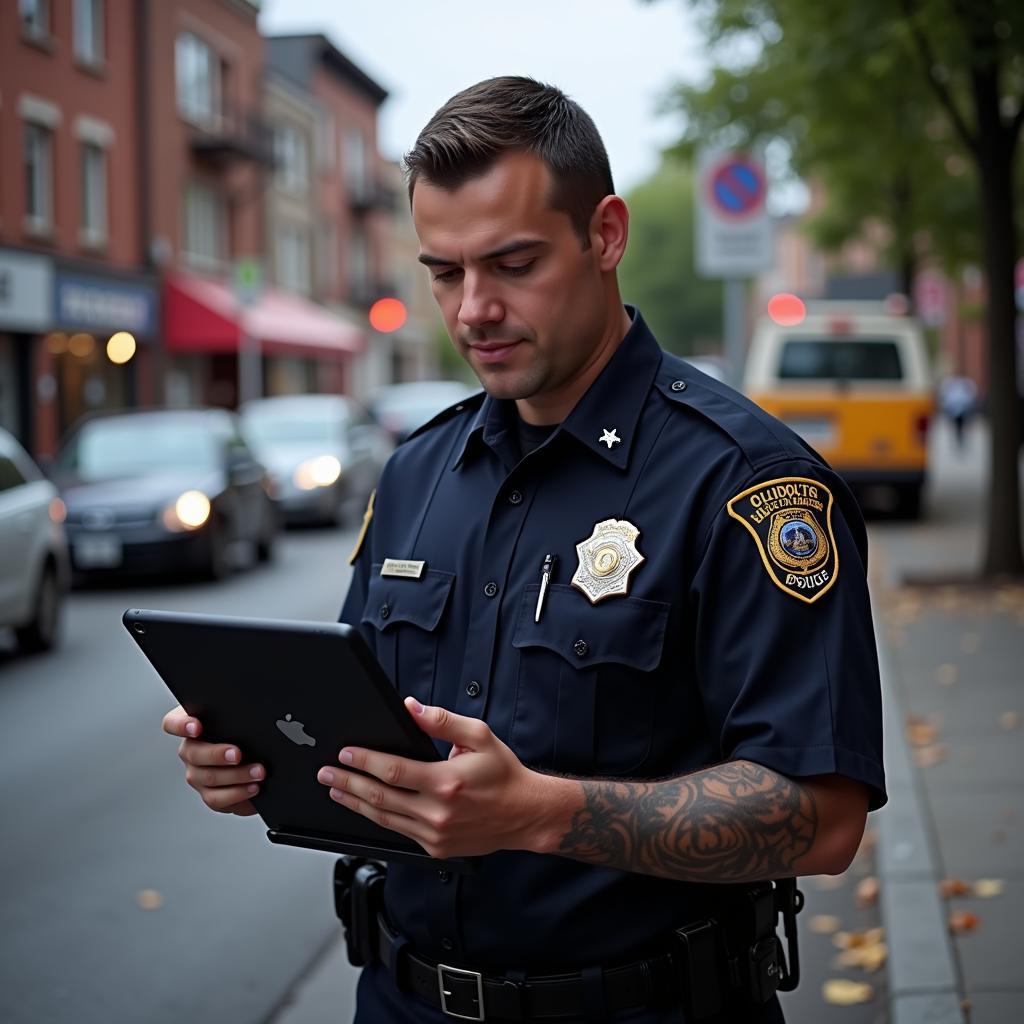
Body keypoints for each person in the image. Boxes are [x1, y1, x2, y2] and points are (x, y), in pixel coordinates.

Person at [164, 77, 886, 1023]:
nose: (472, 309)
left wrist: (541, 813)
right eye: (444, 271)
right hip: (398, 999)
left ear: (607, 236)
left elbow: (822, 820)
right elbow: (363, 738)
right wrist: (265, 765)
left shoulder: (746, 484)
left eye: (512, 263)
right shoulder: (420, 471)